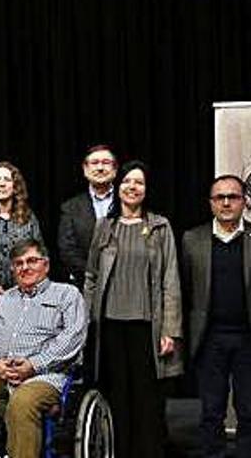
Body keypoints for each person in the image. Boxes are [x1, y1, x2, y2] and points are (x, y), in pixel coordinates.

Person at [84, 160, 183, 458]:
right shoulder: (105, 227)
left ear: (146, 189)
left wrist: (170, 330)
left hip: (146, 327)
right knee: (117, 396)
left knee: (146, 399)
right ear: (119, 187)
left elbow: (171, 280)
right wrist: (87, 321)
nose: (132, 187)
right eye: (127, 181)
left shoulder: (159, 226)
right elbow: (91, 276)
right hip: (110, 326)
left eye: (138, 182)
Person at [0, 239, 87, 458]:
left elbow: (74, 337)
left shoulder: (67, 294)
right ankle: (23, 418)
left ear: (46, 265)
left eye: (32, 261)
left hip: (45, 376)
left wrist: (34, 365)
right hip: (2, 373)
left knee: (22, 403)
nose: (25, 267)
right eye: (19, 263)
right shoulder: (4, 299)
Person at [181, 174, 251, 457]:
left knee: (250, 410)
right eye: (219, 197)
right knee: (211, 411)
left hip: (250, 338)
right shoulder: (192, 239)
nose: (226, 203)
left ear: (244, 201)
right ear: (211, 203)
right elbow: (185, 289)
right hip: (209, 338)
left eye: (233, 197)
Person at [0, 161, 43, 295]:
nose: (2, 184)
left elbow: (40, 252)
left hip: (26, 288)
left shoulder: (28, 217)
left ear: (15, 186)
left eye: (7, 179)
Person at [57, 145, 117, 289]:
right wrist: (94, 275)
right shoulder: (70, 207)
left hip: (123, 285)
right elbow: (67, 250)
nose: (100, 168)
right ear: (85, 169)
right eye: (94, 163)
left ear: (115, 169)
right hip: (85, 286)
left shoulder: (127, 202)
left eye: (106, 163)